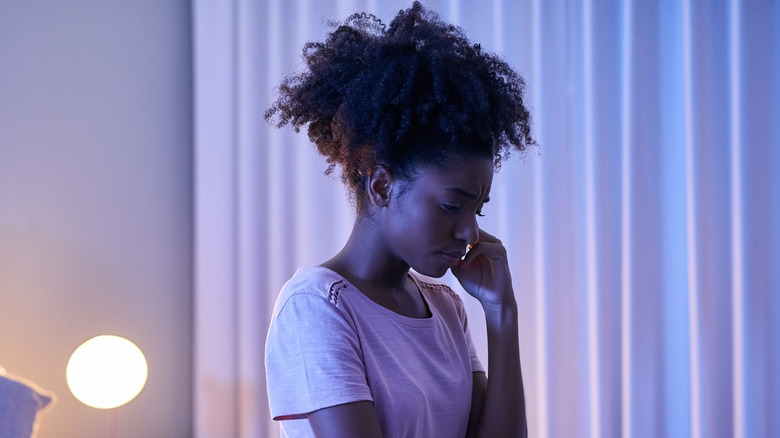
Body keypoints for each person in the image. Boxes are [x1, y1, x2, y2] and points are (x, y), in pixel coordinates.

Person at [264, 2, 535, 437]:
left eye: (477, 210)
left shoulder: (446, 308)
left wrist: (502, 313)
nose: (469, 233)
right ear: (382, 187)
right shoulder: (316, 307)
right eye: (452, 205)